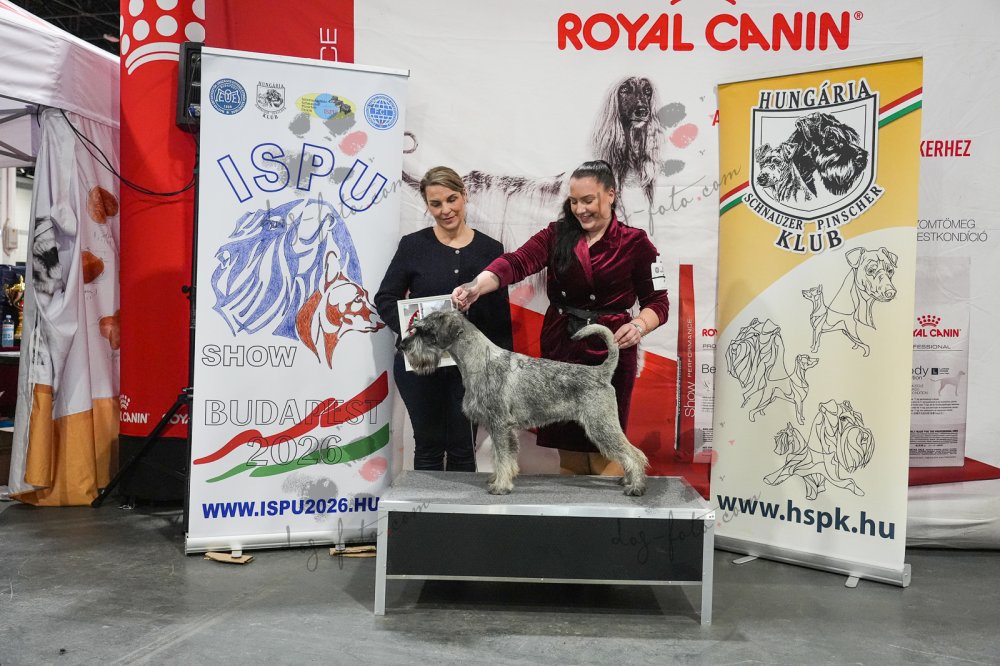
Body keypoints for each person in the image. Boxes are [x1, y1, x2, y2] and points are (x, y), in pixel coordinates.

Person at [452, 159, 668, 477]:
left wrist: (638, 325)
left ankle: (612, 506)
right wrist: (476, 286)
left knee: (605, 449)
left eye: (588, 200)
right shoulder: (555, 235)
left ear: (611, 194)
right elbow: (517, 262)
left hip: (609, 352)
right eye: (574, 201)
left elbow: (659, 303)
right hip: (561, 349)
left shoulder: (637, 243)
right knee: (569, 454)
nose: (580, 209)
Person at [375, 166, 512, 471]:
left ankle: (462, 506)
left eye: (451, 199)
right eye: (435, 204)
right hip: (421, 365)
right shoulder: (413, 245)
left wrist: (501, 369)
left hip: (471, 367)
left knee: (464, 448)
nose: (445, 210)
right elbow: (385, 298)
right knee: (428, 446)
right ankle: (426, 505)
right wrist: (414, 329)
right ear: (427, 205)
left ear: (464, 196)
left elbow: (499, 314)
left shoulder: (491, 249)